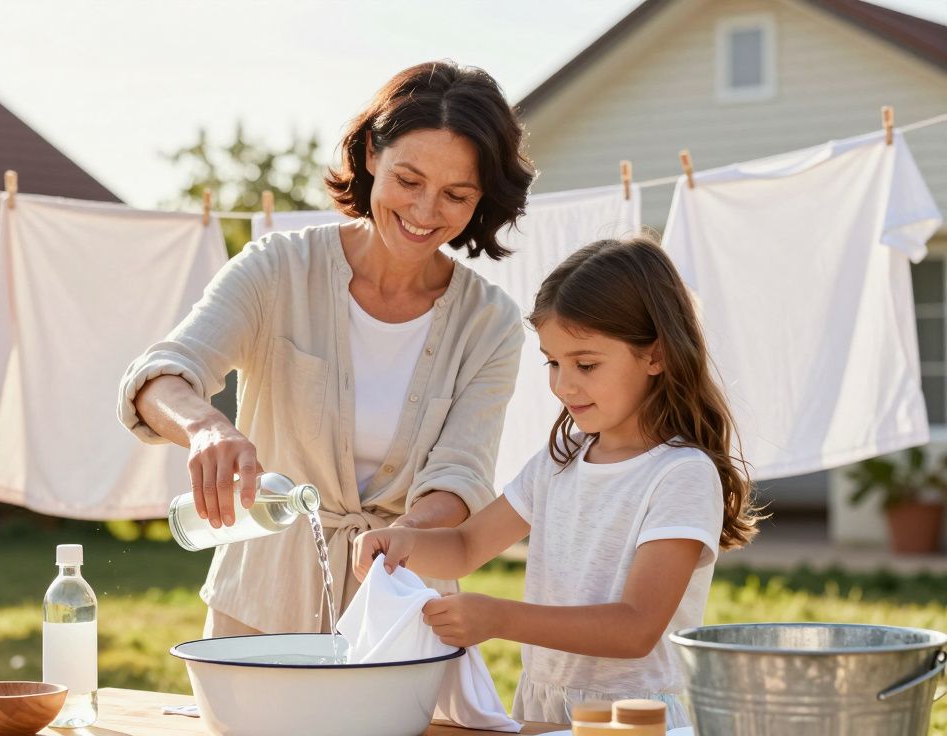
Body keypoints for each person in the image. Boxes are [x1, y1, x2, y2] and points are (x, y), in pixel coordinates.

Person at [117, 60, 536, 638]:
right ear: (370, 153)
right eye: (409, 181)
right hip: (259, 604)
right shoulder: (277, 268)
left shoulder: (490, 323)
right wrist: (206, 430)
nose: (423, 212)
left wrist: (400, 541)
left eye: (455, 195)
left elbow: (460, 474)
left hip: (402, 614)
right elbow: (163, 374)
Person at [352, 235, 761, 728]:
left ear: (656, 355)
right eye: (553, 362)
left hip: (634, 720)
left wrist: (499, 618)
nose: (563, 385)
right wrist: (402, 541)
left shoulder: (681, 475)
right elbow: (465, 545)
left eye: (585, 364)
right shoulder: (560, 460)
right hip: (543, 710)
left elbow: (635, 628)